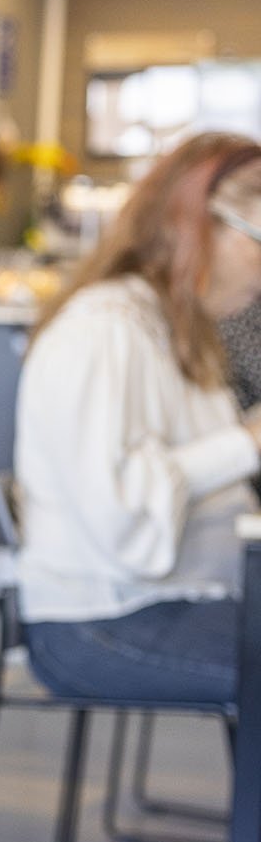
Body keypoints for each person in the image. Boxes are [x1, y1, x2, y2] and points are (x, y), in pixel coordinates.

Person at [14, 132, 261, 705]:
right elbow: (120, 523)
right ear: (199, 227)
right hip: (100, 621)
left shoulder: (174, 325)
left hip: (175, 599)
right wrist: (245, 443)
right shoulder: (105, 331)